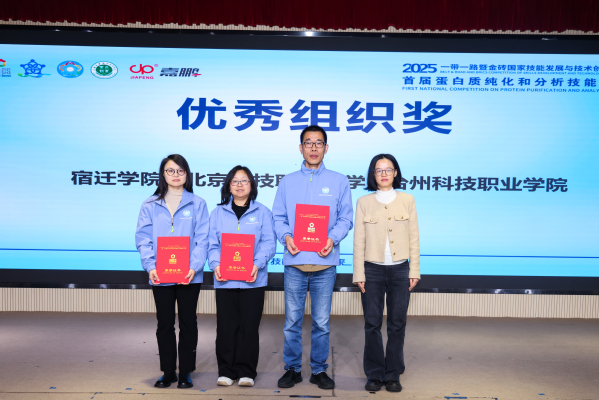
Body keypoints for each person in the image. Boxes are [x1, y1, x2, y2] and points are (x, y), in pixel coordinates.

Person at [272, 125, 353, 390]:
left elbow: (345, 218)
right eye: (308, 142)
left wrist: (332, 238)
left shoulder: (339, 181)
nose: (314, 147)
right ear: (301, 148)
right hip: (295, 262)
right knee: (292, 322)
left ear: (326, 148)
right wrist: (286, 237)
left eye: (319, 143)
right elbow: (278, 217)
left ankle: (319, 370)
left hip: (324, 264)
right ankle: (293, 369)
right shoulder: (288, 181)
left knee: (321, 322)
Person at [135, 154, 209, 389]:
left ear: (187, 174)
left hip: (189, 274)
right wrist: (150, 266)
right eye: (170, 170)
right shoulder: (150, 204)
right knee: (164, 324)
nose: (175, 175)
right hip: (161, 274)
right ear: (163, 174)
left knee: (188, 322)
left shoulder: (198, 203)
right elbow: (143, 238)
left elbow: (203, 239)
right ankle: (168, 371)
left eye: (180, 170)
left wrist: (194, 267)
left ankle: (185, 371)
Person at [352, 154, 420, 393]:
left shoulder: (407, 200)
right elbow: (358, 240)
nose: (383, 174)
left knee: (397, 323)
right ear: (373, 174)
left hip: (400, 269)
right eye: (378, 170)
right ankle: (374, 373)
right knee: (372, 323)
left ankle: (392, 374)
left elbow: (414, 237)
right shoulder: (363, 202)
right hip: (372, 269)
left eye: (388, 169)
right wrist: (359, 273)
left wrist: (414, 269)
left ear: (395, 173)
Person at [208, 166, 276, 387]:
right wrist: (216, 264)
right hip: (225, 279)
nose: (239, 185)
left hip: (253, 280)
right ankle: (226, 371)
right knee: (226, 326)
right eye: (235, 181)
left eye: (244, 180)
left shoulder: (263, 212)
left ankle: (246, 371)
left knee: (249, 326)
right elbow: (212, 244)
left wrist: (257, 264)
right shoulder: (217, 213)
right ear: (228, 186)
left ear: (251, 185)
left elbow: (269, 243)